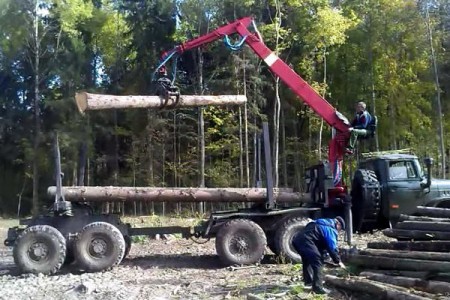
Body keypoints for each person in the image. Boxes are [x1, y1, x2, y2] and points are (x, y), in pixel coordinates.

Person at [292, 217, 347, 294]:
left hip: (297, 240)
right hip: (306, 241)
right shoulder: (330, 228)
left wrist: (326, 255)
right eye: (340, 229)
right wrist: (338, 261)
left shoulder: (319, 222)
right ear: (338, 224)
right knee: (318, 263)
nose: (339, 231)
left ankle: (308, 283)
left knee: (307, 261)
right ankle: (318, 288)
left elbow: (318, 242)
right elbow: (332, 247)